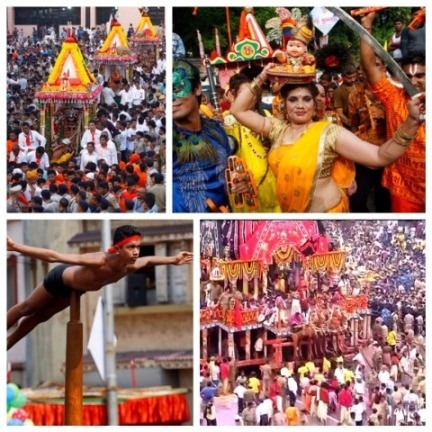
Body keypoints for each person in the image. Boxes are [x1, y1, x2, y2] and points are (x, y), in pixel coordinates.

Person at [229, 61, 424, 213]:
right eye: (293, 99)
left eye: (306, 99)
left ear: (316, 105)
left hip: (329, 216)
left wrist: (412, 121)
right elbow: (238, 110)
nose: (300, 105)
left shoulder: (329, 133)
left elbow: (380, 156)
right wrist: (262, 76)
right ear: (284, 105)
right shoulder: (277, 130)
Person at [7, 225, 193, 350]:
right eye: (131, 247)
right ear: (118, 249)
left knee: (41, 317)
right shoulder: (99, 260)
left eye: (137, 247)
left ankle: (7, 344)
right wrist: (15, 246)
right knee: (27, 308)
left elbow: (149, 260)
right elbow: (53, 256)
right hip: (59, 279)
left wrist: (173, 260)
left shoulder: (130, 265)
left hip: (76, 290)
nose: (136, 251)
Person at [360, 11, 425, 212]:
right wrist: (367, 24)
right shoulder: (393, 96)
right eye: (408, 76)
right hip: (403, 189)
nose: (413, 81)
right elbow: (370, 66)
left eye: (421, 75)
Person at [172, 59, 248, 212]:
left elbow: (228, 175)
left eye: (177, 88)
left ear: (198, 89)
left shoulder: (216, 130)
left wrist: (239, 182)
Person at [223, 73, 280, 213]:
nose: (249, 97)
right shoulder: (227, 120)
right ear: (234, 95)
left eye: (252, 92)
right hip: (243, 185)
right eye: (243, 93)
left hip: (271, 182)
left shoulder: (267, 116)